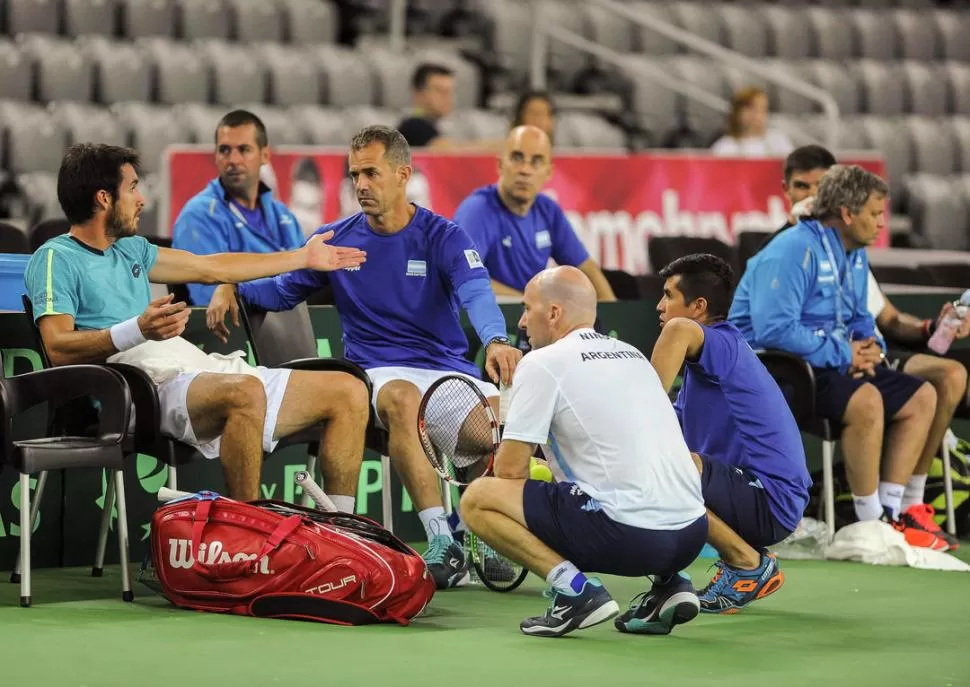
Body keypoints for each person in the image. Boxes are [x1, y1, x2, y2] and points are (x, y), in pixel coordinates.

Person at [205, 125, 523, 589]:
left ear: (402, 175)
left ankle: (484, 528)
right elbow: (277, 291)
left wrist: (495, 339)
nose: (361, 185)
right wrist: (230, 282)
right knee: (400, 399)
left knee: (500, 425)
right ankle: (442, 542)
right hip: (378, 374)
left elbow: (477, 294)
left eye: (371, 173)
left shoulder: (444, 237)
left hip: (447, 374)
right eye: (355, 175)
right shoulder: (336, 242)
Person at [25, 143, 370, 504]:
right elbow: (58, 346)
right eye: (132, 188)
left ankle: (341, 528)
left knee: (348, 390)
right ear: (103, 198)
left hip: (187, 372)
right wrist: (137, 331)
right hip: (132, 392)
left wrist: (301, 257)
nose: (141, 199)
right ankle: (248, 537)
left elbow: (213, 267)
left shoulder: (131, 249)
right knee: (244, 393)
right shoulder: (55, 258)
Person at [460, 266, 708, 638]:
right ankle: (670, 585)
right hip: (691, 534)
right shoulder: (633, 355)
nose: (523, 322)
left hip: (628, 537)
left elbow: (510, 473)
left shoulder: (540, 363)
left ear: (555, 313)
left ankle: (574, 592)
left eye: (528, 309)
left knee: (478, 499)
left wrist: (535, 468)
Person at [729, 165, 945, 549]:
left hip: (829, 362)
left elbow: (860, 316)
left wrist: (869, 346)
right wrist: (845, 352)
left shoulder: (855, 254)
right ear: (847, 213)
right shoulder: (792, 248)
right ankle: (866, 523)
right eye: (875, 214)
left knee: (922, 397)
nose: (882, 224)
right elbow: (773, 329)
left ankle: (890, 515)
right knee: (868, 401)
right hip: (777, 369)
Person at [652, 254, 811, 613]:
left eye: (668, 296)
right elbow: (663, 426)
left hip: (771, 499)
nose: (660, 307)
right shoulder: (704, 367)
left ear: (698, 307)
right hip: (752, 494)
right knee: (658, 464)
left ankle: (748, 564)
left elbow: (676, 333)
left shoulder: (718, 343)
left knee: (668, 469)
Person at [453, 125, 616, 302]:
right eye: (517, 158)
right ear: (500, 165)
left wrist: (614, 317)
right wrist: (529, 303)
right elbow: (463, 278)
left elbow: (588, 271)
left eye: (536, 161)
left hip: (527, 318)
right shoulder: (478, 210)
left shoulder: (548, 210)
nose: (525, 170)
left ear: (548, 172)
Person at [172, 110, 305, 306]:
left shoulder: (284, 216)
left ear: (265, 155)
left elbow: (306, 286)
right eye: (225, 150)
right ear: (216, 156)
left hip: (291, 327)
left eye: (244, 150)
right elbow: (213, 300)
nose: (233, 160)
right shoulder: (198, 216)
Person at [710, 86, 793, 158]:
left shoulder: (778, 140)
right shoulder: (725, 146)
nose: (758, 115)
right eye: (752, 109)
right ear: (738, 113)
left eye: (762, 109)